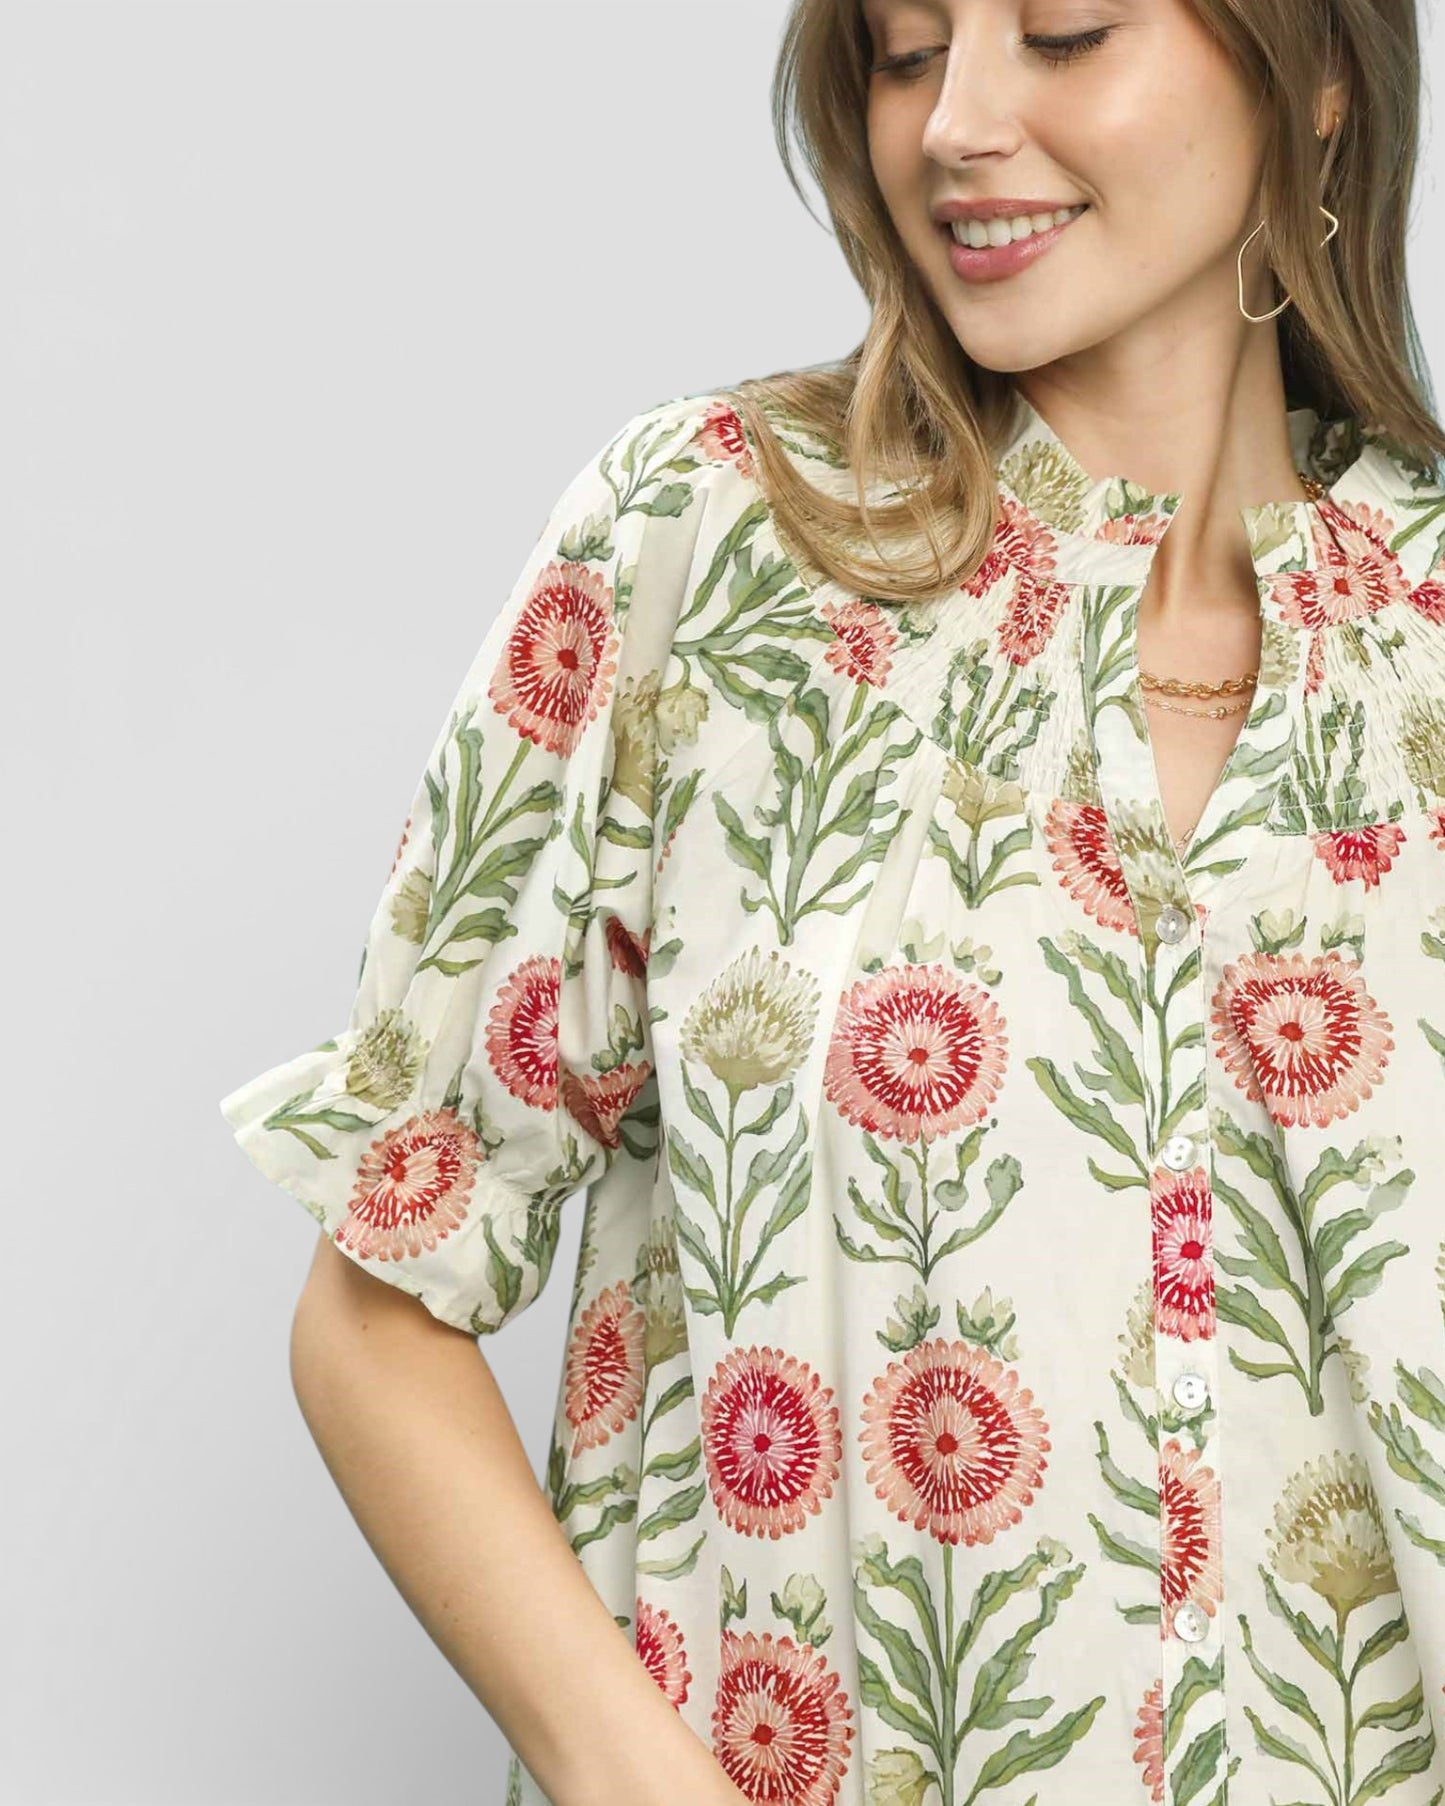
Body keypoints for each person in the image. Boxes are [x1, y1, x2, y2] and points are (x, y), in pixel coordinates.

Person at [218, 1, 1445, 1801]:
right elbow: (382, 1300)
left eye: (1062, 30)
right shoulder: (707, 555)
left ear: (1314, 68)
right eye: (899, 51)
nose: (954, 122)